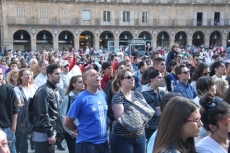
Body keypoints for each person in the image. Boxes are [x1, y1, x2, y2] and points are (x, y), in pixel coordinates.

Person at [64, 68, 109, 153]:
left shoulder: (103, 95)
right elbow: (67, 122)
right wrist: (77, 130)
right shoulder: (81, 99)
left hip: (103, 142)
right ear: (86, 81)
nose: (97, 76)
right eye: (92, 75)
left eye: (97, 74)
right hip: (87, 144)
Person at [110, 69, 154, 153]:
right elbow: (122, 119)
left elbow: (147, 111)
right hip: (122, 138)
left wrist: (134, 113)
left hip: (140, 136)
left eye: (133, 76)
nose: (132, 79)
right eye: (129, 77)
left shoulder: (137, 94)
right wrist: (138, 111)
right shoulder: (118, 97)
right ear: (121, 81)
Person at [32, 64, 61, 153]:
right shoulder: (44, 90)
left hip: (49, 130)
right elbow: (43, 114)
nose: (59, 76)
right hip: (43, 133)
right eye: (56, 74)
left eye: (60, 73)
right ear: (49, 75)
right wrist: (50, 133)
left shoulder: (51, 89)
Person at [13, 68, 38, 153]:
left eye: (30, 74)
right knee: (23, 142)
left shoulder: (35, 87)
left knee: (36, 141)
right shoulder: (17, 89)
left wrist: (26, 103)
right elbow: (19, 104)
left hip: (35, 116)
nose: (28, 76)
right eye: (26, 74)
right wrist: (31, 104)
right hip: (23, 117)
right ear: (21, 77)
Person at [60, 75, 85, 153]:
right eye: (80, 82)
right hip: (73, 131)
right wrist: (70, 132)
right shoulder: (68, 98)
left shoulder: (86, 96)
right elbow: (62, 116)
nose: (83, 84)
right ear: (74, 84)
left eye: (83, 82)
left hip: (84, 130)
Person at [141, 70, 166, 142]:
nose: (162, 79)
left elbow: (167, 107)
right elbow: (152, 112)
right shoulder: (145, 93)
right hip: (150, 126)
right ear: (152, 79)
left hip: (161, 124)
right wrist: (163, 109)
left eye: (162, 77)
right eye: (159, 78)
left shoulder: (161, 92)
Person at [0, 68, 18, 153]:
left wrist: (13, 127)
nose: (0, 76)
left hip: (7, 127)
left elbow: (15, 110)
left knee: (11, 150)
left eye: (0, 74)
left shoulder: (9, 89)